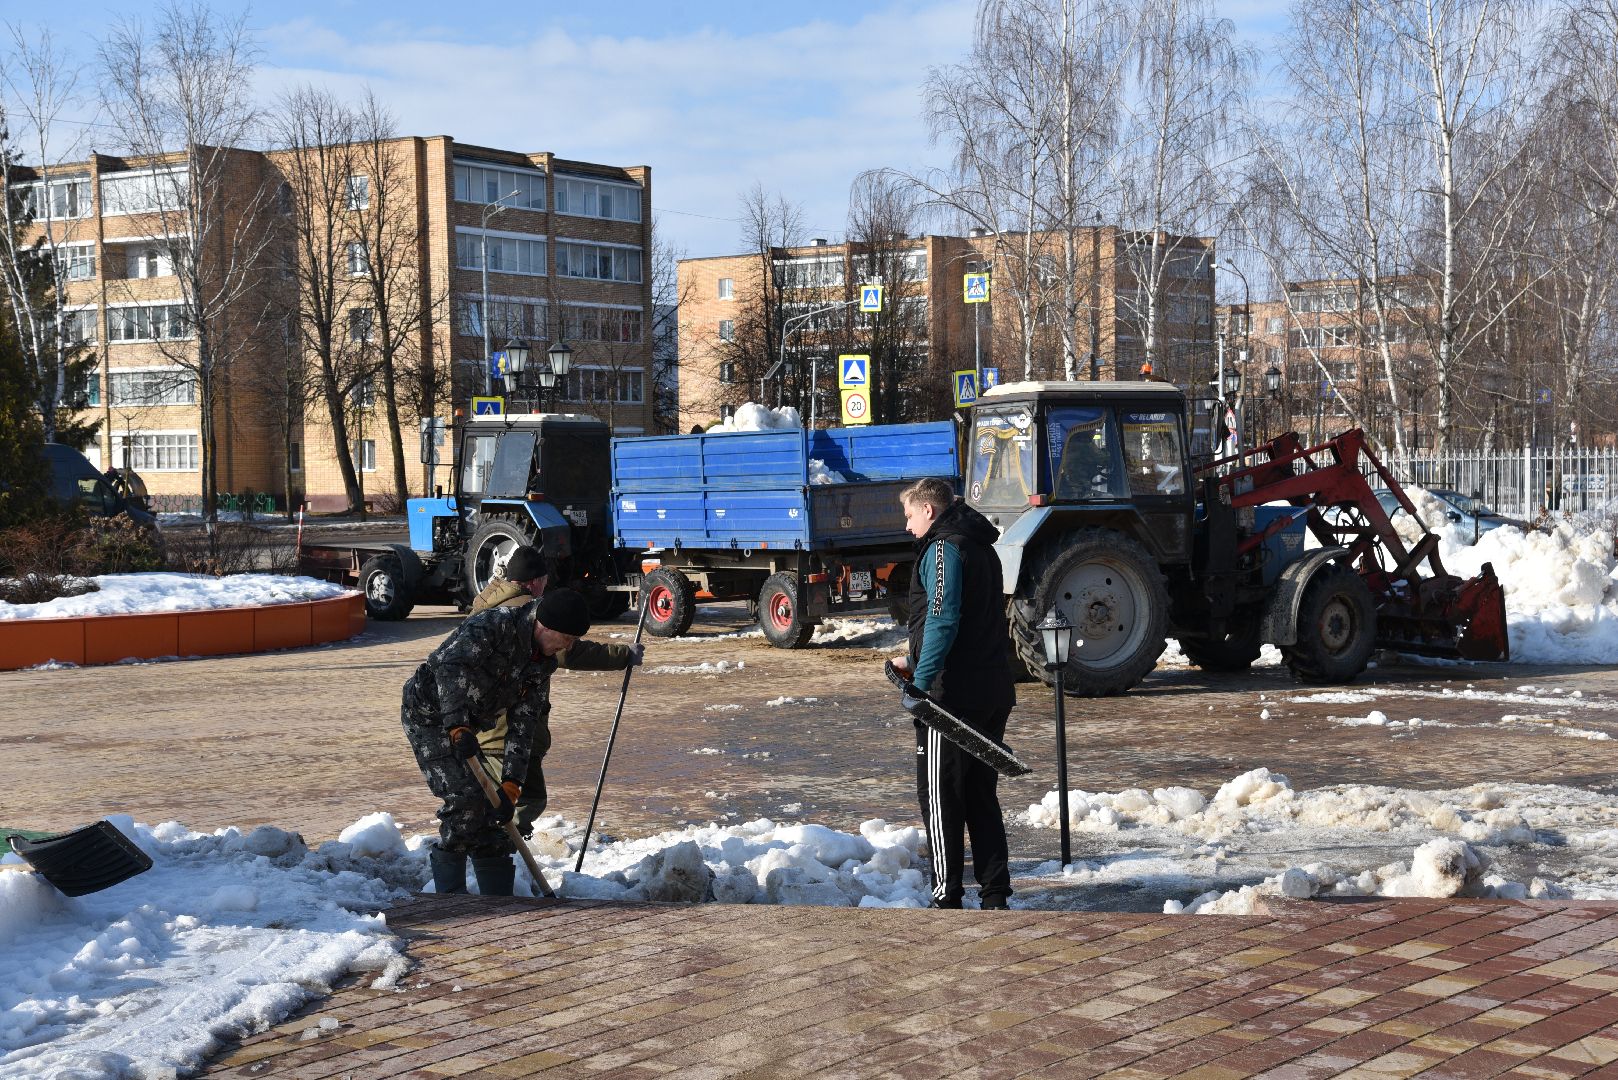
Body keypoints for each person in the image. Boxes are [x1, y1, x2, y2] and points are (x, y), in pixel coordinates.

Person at [401, 587, 602, 896]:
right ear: (545, 627)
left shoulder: (541, 664)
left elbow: (523, 726)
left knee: (495, 814)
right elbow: (451, 668)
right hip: (431, 716)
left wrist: (511, 785)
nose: (568, 647)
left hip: (471, 724)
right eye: (566, 639)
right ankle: (448, 900)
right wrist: (457, 725)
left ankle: (497, 904)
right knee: (465, 801)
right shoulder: (493, 626)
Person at [890, 476, 1016, 910]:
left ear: (928, 510)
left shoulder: (944, 548)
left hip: (951, 698)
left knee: (941, 795)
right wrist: (916, 656)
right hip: (992, 687)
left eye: (909, 516)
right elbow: (973, 622)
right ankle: (995, 890)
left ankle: (946, 893)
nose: (907, 526)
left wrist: (921, 686)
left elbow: (943, 619)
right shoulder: (980, 544)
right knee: (982, 791)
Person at [469, 546, 641, 840]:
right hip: (507, 729)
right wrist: (622, 654)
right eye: (545, 580)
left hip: (490, 725)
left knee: (499, 800)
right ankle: (498, 858)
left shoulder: (488, 600)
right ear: (536, 581)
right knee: (523, 802)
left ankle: (496, 855)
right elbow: (567, 652)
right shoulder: (525, 609)